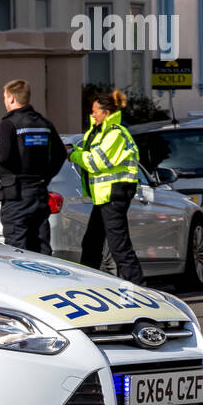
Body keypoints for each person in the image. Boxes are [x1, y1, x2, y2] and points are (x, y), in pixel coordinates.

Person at [68, 89, 145, 285]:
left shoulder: (115, 134)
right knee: (92, 243)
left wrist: (73, 155)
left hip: (114, 195)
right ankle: (89, 285)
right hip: (104, 197)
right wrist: (74, 150)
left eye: (95, 111)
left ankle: (138, 288)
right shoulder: (99, 132)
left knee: (118, 245)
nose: (92, 115)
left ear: (106, 113)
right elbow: (89, 154)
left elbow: (95, 162)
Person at [0, 79, 67, 252]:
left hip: (16, 195)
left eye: (5, 98)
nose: (5, 102)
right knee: (40, 247)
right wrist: (45, 177)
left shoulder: (8, 124)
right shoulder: (44, 124)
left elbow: (2, 155)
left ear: (12, 99)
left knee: (18, 249)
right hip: (38, 192)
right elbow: (60, 154)